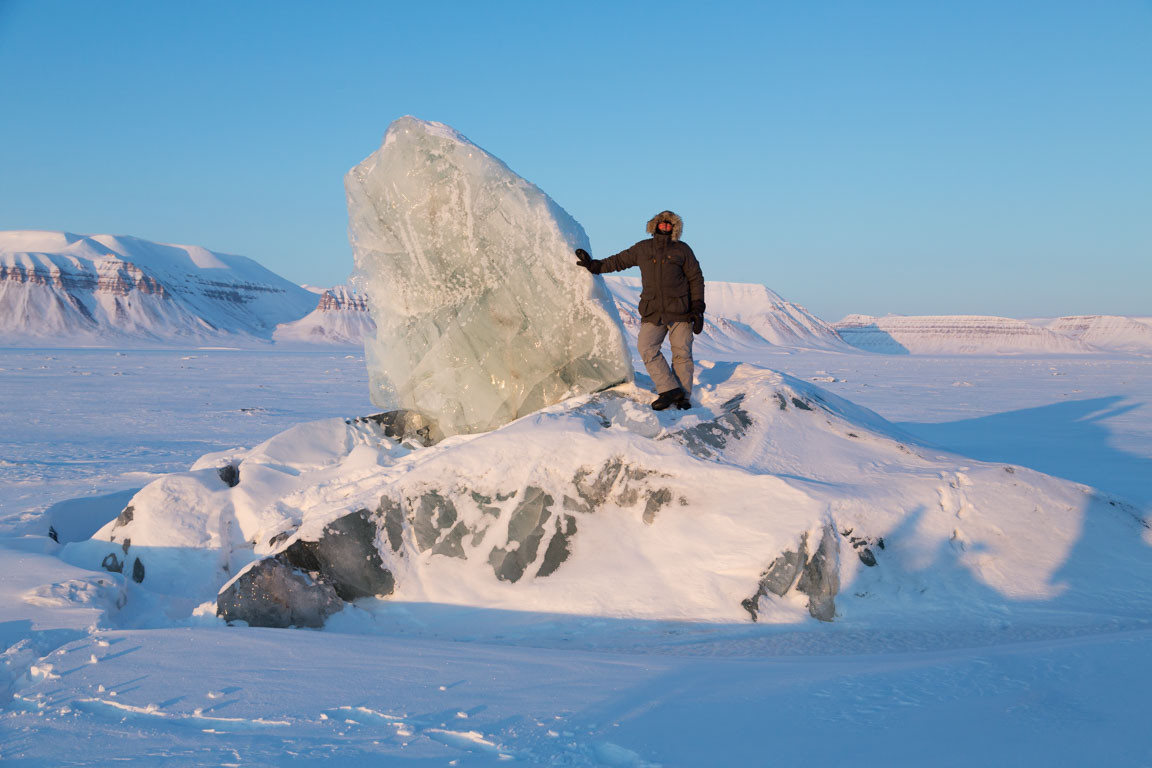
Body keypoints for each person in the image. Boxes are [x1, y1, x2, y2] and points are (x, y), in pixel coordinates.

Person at [575, 210, 705, 411]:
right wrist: (595, 265)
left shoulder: (682, 250)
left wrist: (697, 308)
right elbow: (619, 261)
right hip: (653, 311)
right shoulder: (643, 248)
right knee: (646, 348)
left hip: (681, 310)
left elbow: (696, 278)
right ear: (654, 226)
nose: (664, 226)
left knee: (682, 354)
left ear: (674, 228)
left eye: (669, 224)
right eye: (661, 223)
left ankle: (683, 397)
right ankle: (669, 389)